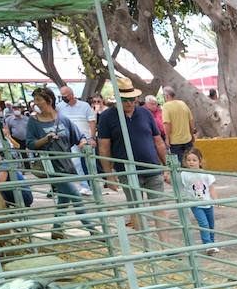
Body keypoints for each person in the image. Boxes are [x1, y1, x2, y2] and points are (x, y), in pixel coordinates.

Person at [96, 76, 170, 229]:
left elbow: (158, 141)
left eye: (132, 99)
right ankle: (146, 246)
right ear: (117, 98)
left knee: (159, 207)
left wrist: (167, 166)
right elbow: (104, 147)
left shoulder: (145, 113)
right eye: (125, 99)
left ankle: (165, 247)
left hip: (152, 168)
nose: (129, 103)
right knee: (137, 209)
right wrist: (108, 173)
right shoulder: (106, 117)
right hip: (127, 171)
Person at [25, 87, 94, 236]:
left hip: (66, 163)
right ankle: (92, 228)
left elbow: (78, 136)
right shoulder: (33, 121)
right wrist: (45, 139)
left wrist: (83, 143)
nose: (36, 103)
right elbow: (30, 143)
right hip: (51, 166)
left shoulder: (62, 118)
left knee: (64, 198)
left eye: (39, 100)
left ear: (49, 100)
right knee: (75, 195)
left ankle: (56, 229)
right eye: (35, 99)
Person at [179, 146, 218, 252]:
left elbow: (212, 188)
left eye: (194, 160)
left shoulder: (206, 174)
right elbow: (180, 187)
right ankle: (207, 245)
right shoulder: (184, 174)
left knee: (210, 224)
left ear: (200, 161)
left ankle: (212, 243)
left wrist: (216, 200)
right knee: (203, 224)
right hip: (195, 204)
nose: (191, 162)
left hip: (208, 203)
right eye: (188, 160)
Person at [160, 85, 196, 160]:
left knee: (180, 165)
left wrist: (167, 138)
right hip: (187, 139)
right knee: (190, 161)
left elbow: (167, 124)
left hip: (175, 142)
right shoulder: (183, 103)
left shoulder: (166, 106)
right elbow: (191, 121)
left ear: (166, 96)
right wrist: (192, 134)